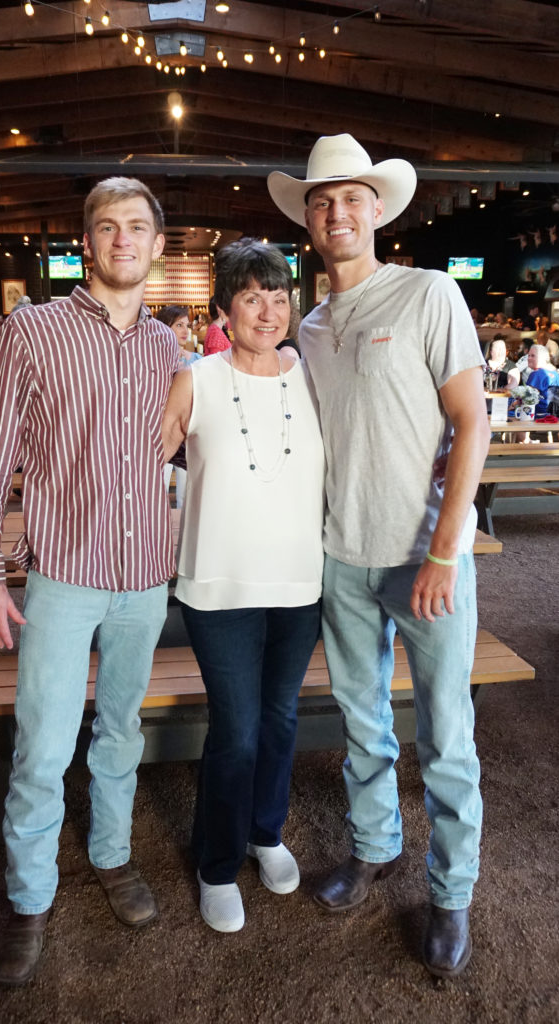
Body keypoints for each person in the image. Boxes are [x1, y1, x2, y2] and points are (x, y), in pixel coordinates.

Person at [268, 133, 490, 978]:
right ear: (310, 221)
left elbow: (469, 424)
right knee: (363, 726)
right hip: (340, 558)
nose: (336, 212)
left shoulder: (428, 295)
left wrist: (443, 550)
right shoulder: (311, 326)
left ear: (377, 211)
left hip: (422, 557)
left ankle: (451, 889)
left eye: (350, 198)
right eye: (321, 201)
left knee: (446, 735)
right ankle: (372, 848)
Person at [0, 176, 179, 987]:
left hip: (146, 578)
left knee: (120, 732)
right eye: (107, 227)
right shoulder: (33, 330)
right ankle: (29, 898)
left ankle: (113, 856)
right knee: (43, 746)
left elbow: (188, 454)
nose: (122, 240)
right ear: (86, 243)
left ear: (157, 246)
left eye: (137, 228)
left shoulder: (168, 349)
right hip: (62, 575)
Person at [161, 239, 325, 933]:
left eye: (278, 295)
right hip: (217, 588)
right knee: (237, 727)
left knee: (280, 719)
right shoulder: (194, 378)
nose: (267, 309)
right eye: (251, 296)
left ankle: (265, 832)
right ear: (224, 309)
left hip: (299, 584)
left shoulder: (314, 375)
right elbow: (139, 466)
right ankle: (217, 862)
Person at [155, 304, 201, 508]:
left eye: (187, 325)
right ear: (165, 327)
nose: (185, 331)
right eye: (179, 325)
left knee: (185, 494)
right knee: (157, 489)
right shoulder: (153, 360)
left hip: (188, 433)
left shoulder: (198, 361)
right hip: (160, 432)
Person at [525, 344, 559, 415]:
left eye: (533, 356)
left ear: (542, 358)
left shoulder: (537, 374)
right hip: (555, 415)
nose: (529, 358)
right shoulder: (555, 374)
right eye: (528, 355)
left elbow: (528, 399)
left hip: (540, 415)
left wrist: (513, 405)